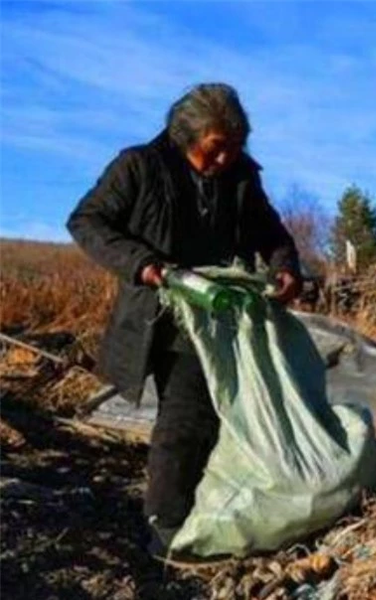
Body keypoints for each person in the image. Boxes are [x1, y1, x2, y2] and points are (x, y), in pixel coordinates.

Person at [66, 83, 302, 554]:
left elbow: (271, 232)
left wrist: (285, 266)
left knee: (216, 414)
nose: (224, 161)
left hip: (221, 317)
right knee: (186, 416)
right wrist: (141, 262)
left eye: (234, 150)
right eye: (216, 150)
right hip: (162, 315)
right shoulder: (138, 166)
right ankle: (166, 529)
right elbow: (86, 221)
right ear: (185, 136)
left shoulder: (241, 178)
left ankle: (196, 508)